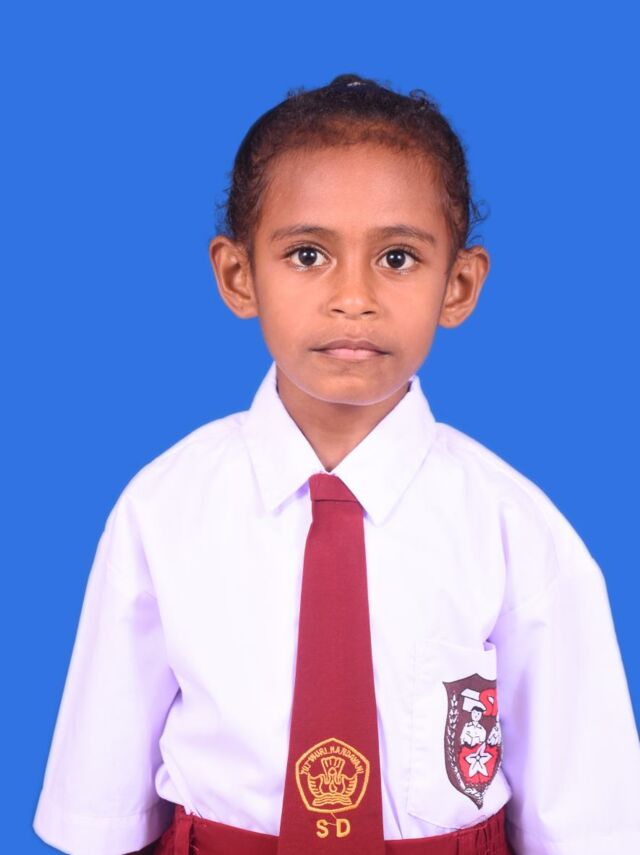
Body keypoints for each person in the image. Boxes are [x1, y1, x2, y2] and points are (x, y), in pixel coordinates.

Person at [32, 73, 639, 855]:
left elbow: (588, 819)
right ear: (239, 276)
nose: (353, 296)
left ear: (458, 286)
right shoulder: (163, 509)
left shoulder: (516, 530)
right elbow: (100, 808)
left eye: (397, 257)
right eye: (308, 254)